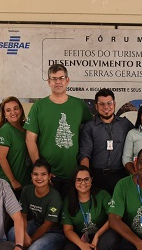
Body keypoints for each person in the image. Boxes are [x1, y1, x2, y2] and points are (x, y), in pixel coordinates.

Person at [25, 64, 92, 197]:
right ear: (48, 82)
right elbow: (30, 139)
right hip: (49, 176)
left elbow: (90, 133)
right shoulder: (38, 107)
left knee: (71, 208)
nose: (58, 82)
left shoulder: (79, 106)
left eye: (61, 78)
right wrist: (42, 172)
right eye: (54, 78)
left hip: (74, 175)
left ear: (67, 80)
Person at [8, 159, 67, 250]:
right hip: (35, 224)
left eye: (43, 174)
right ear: (31, 176)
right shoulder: (27, 190)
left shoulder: (54, 197)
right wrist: (24, 234)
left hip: (54, 232)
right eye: (36, 174)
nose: (39, 177)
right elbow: (22, 215)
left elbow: (48, 224)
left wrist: (30, 240)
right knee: (12, 233)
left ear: (49, 176)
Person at [78, 88, 132, 193]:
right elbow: (84, 154)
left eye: (109, 103)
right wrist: (86, 177)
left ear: (114, 104)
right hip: (97, 177)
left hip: (120, 176)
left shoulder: (125, 124)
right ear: (96, 106)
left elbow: (140, 135)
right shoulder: (89, 127)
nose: (106, 107)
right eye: (101, 104)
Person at [61, 166, 110, 250]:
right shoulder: (69, 200)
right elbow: (68, 230)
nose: (83, 183)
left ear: (91, 180)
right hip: (81, 236)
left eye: (86, 179)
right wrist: (82, 245)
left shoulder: (102, 195)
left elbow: (113, 218)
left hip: (101, 234)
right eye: (79, 180)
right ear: (74, 182)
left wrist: (97, 236)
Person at [0, 96, 31, 195]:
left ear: (21, 110)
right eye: (8, 110)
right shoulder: (6, 130)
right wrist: (13, 181)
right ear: (4, 114)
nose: (13, 112)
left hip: (25, 182)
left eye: (15, 108)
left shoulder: (26, 128)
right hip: (10, 185)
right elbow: (1, 158)